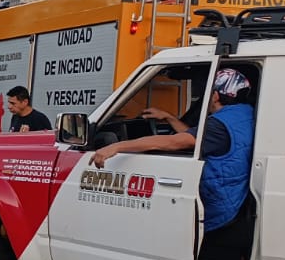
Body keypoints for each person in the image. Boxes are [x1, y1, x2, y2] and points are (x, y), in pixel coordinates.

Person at [91, 68, 256, 236]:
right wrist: (169, 118)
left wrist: (117, 147)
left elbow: (172, 143)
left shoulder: (218, 125)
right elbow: (196, 139)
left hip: (219, 209)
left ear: (215, 96)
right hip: (235, 200)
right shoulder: (244, 113)